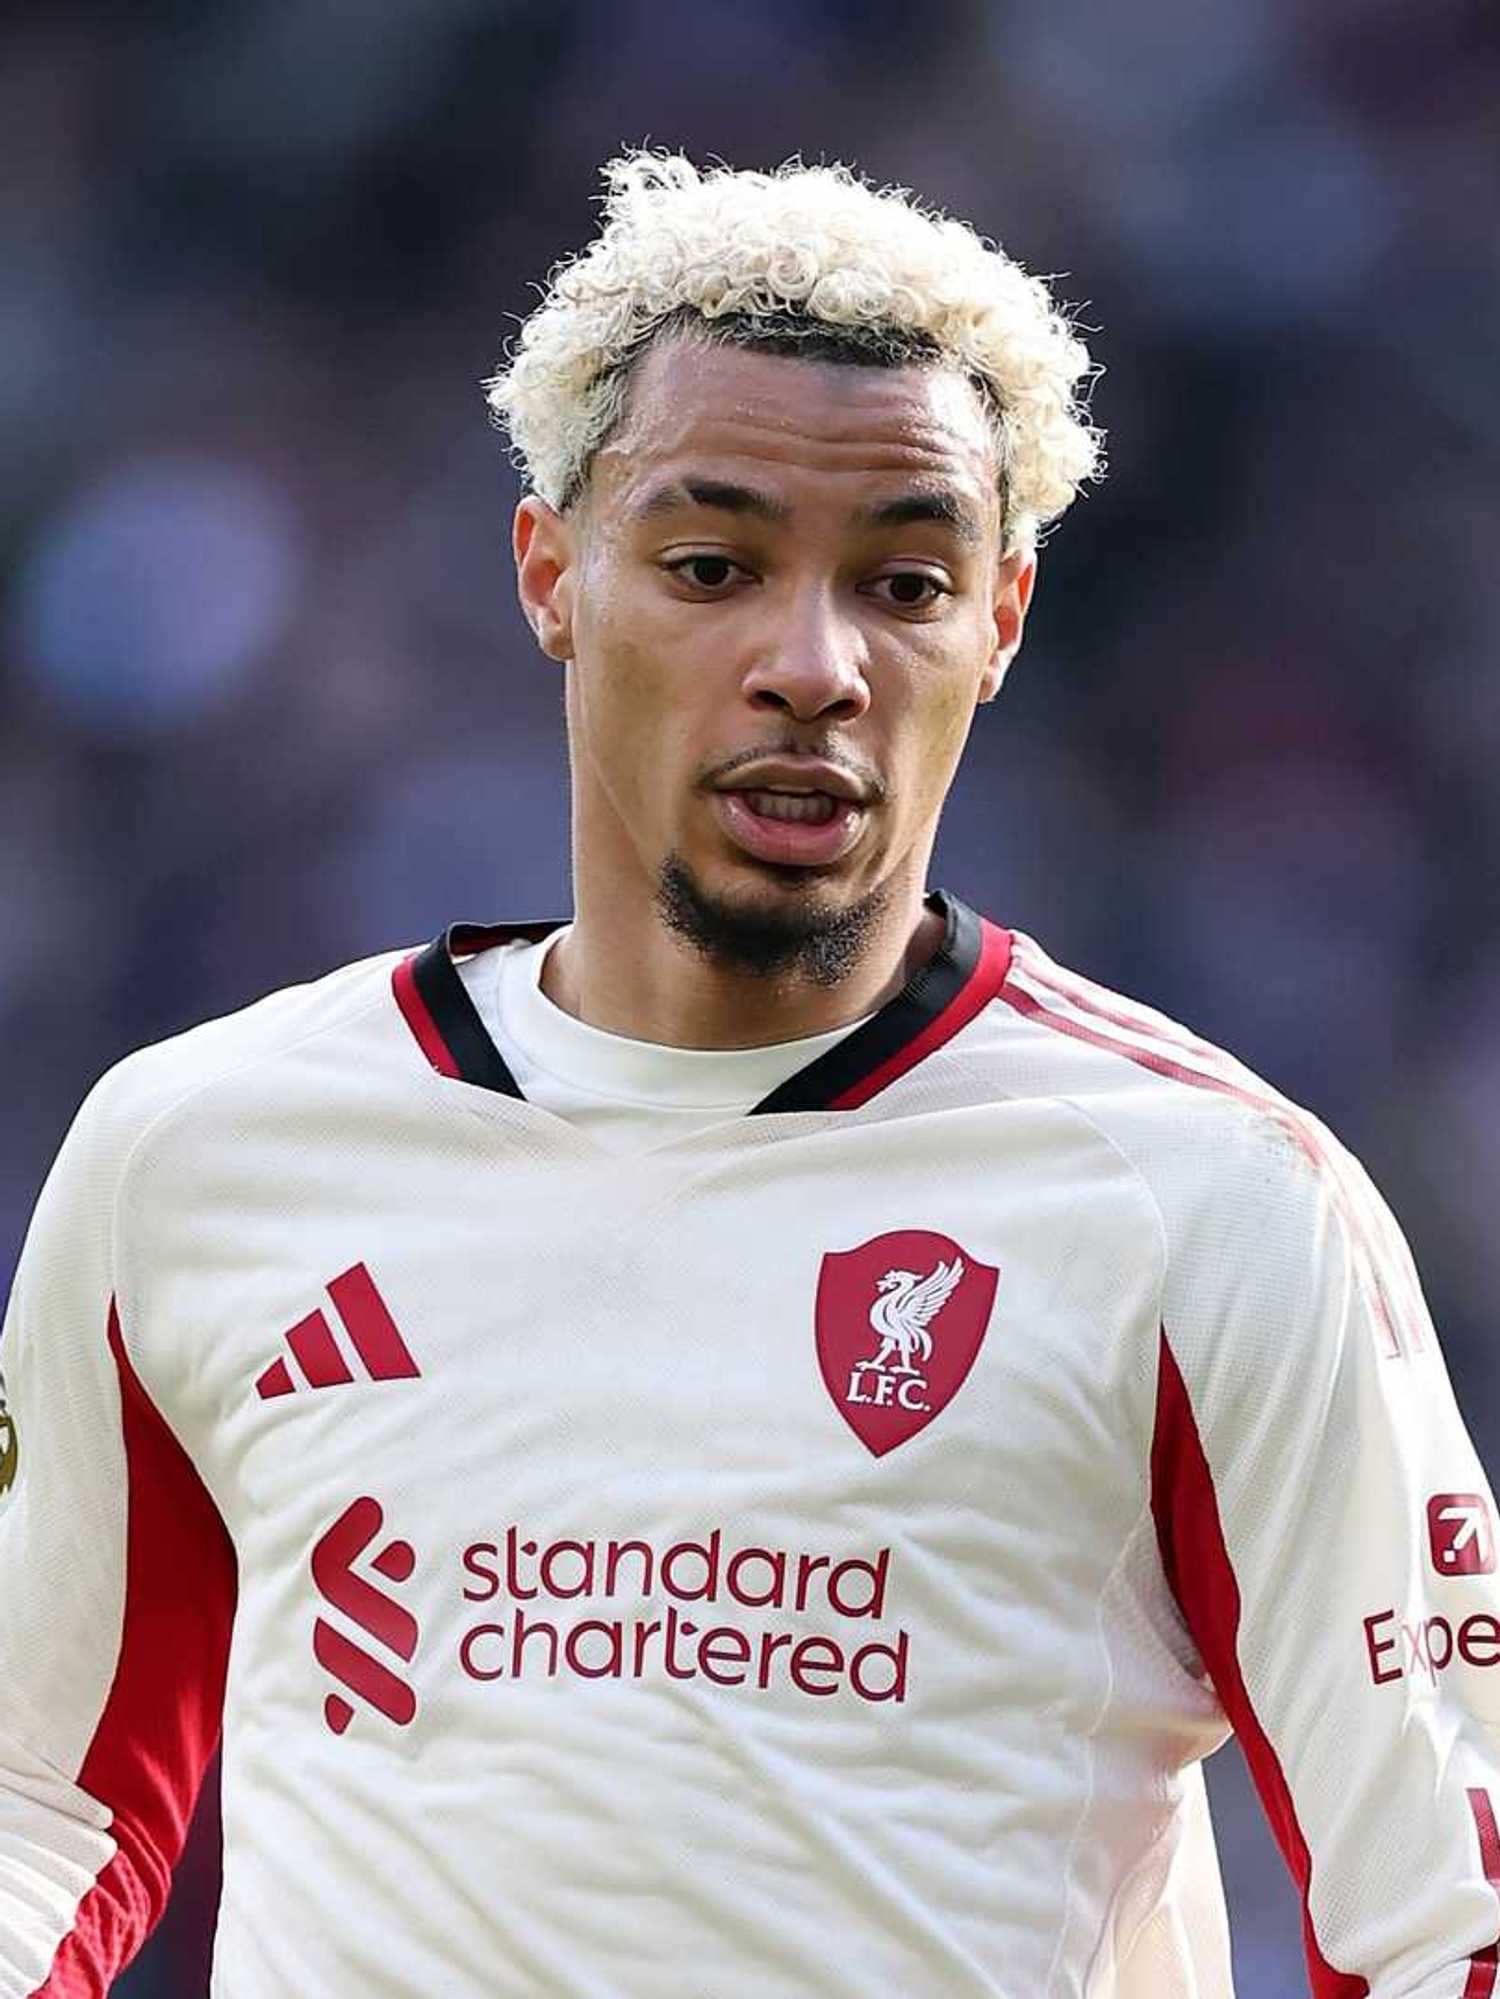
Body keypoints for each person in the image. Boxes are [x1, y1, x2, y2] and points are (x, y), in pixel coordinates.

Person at [0, 149, 1496, 1999]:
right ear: (554, 574)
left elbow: (1449, 1918)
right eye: (713, 567)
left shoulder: (1216, 1207)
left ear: (1003, 625)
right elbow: (38, 1805)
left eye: (907, 583)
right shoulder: (199, 1151)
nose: (814, 666)